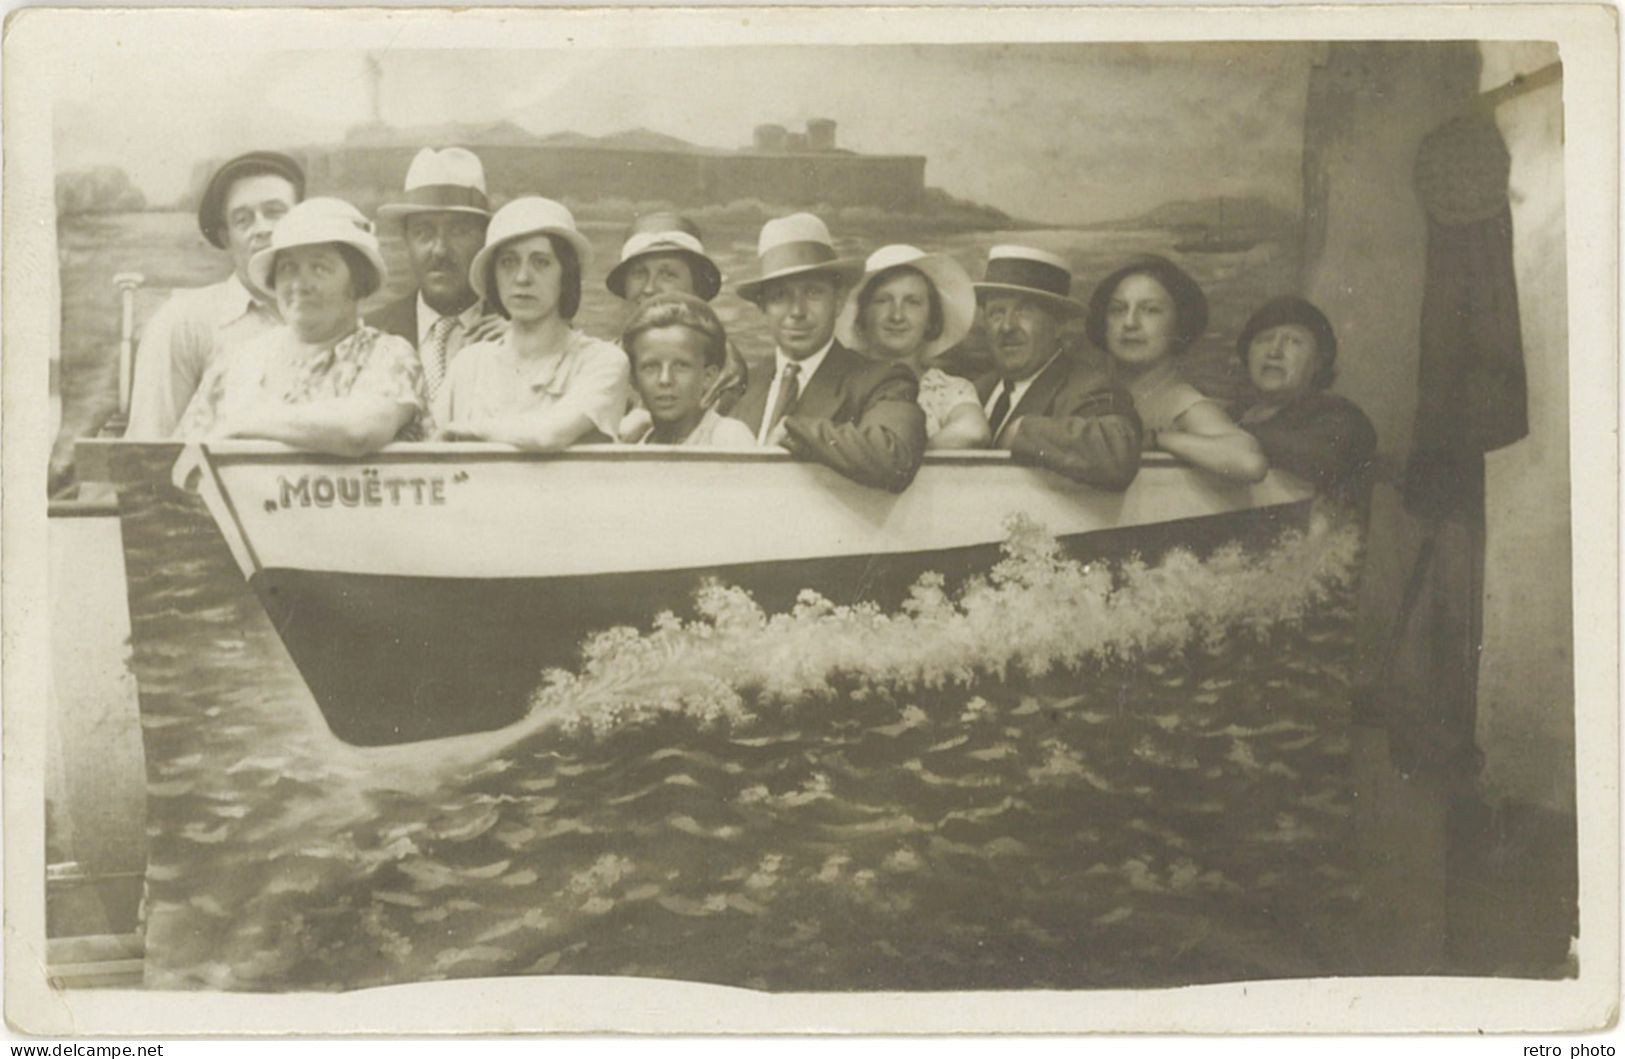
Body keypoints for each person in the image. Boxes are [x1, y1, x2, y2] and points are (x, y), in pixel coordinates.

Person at [175, 197, 430, 456]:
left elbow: (359, 433)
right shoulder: (238, 362)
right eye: (288, 268)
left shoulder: (389, 355)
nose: (300, 284)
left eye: (319, 268)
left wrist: (244, 423)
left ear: (357, 283)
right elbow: (180, 457)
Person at [727, 213, 926, 493]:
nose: (797, 312)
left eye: (812, 293)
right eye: (780, 296)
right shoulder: (747, 384)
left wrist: (796, 430)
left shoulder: (882, 380)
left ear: (839, 301)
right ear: (763, 308)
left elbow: (895, 455)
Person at [124, 151, 305, 439]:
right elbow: (149, 449)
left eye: (275, 212)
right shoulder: (185, 322)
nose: (262, 229)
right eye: (243, 220)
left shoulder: (329, 318)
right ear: (226, 238)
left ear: (303, 222)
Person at [435, 197, 630, 450]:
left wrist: (470, 429)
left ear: (566, 275)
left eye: (541, 262)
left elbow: (548, 435)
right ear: (493, 276)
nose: (522, 277)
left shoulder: (601, 361)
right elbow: (433, 447)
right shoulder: (468, 364)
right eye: (508, 262)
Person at [1086, 255, 1267, 483]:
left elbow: (1249, 462)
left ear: (1179, 323)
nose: (1130, 322)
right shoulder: (1092, 388)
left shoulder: (1182, 402)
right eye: (1117, 309)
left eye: (1150, 310)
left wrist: (1155, 439)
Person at [972, 246, 1141, 489]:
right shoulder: (978, 391)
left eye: (1024, 310)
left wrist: (1021, 431)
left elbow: (1117, 452)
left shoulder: (1088, 387)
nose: (1007, 326)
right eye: (996, 313)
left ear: (1059, 324)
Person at [366, 147, 505, 400]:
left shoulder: (524, 331)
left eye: (459, 231)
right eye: (424, 233)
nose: (440, 250)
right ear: (406, 241)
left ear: (486, 240)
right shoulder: (370, 332)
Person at [835, 244, 990, 449]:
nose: (897, 315)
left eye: (912, 302)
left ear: (931, 319)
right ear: (863, 315)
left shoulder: (948, 389)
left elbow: (974, 432)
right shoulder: (839, 382)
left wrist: (900, 458)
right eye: (882, 301)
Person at [1234, 295, 1377, 501]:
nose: (1274, 352)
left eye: (1294, 341)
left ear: (1319, 360)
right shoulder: (1233, 414)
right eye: (1263, 340)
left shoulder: (1342, 417)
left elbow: (1318, 459)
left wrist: (1222, 433)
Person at [606, 212, 748, 414]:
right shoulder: (606, 357)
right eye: (639, 273)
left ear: (696, 288)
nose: (649, 288)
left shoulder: (724, 366)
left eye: (668, 274)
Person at [619, 293, 756, 447]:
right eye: (651, 367)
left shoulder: (727, 436)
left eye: (681, 366)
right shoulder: (635, 446)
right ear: (634, 379)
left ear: (708, 376)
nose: (665, 379)